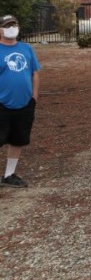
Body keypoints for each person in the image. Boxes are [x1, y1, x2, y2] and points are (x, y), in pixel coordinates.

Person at [0, 15, 41, 188]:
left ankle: (9, 175)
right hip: (2, 105)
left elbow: (35, 73)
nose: (11, 28)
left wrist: (34, 96)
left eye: (14, 25)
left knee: (18, 140)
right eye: (7, 26)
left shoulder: (26, 49)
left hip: (25, 104)